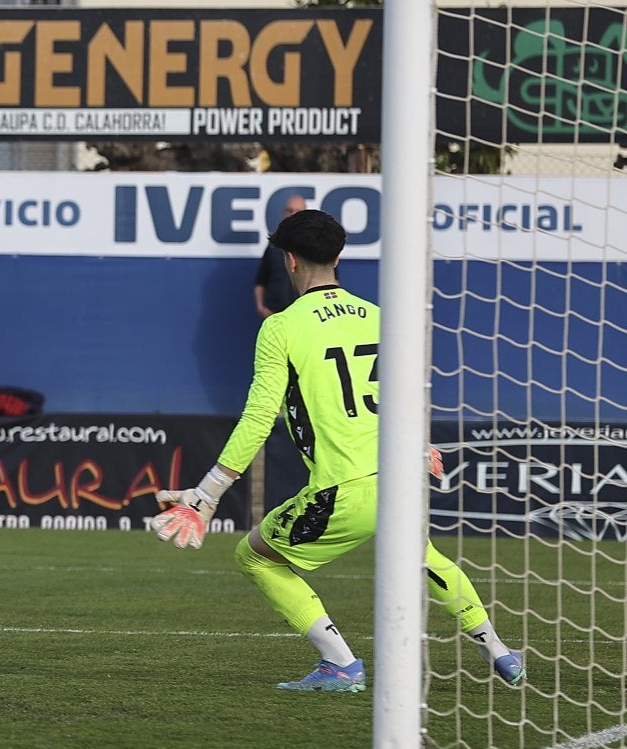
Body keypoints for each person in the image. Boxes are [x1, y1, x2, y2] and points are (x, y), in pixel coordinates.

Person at [152, 209, 525, 692]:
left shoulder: (281, 327)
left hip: (343, 490)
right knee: (421, 554)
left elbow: (259, 418)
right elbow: (403, 396)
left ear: (288, 260)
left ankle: (341, 663)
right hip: (398, 478)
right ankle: (499, 650)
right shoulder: (379, 316)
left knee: (255, 556)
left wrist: (208, 494)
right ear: (339, 255)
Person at [254, 195, 308, 318]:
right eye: (290, 210)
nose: (293, 214)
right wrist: (261, 307)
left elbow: (330, 279)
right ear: (284, 213)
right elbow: (261, 280)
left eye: (298, 211)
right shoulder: (274, 246)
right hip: (275, 314)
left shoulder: (316, 243)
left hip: (304, 315)